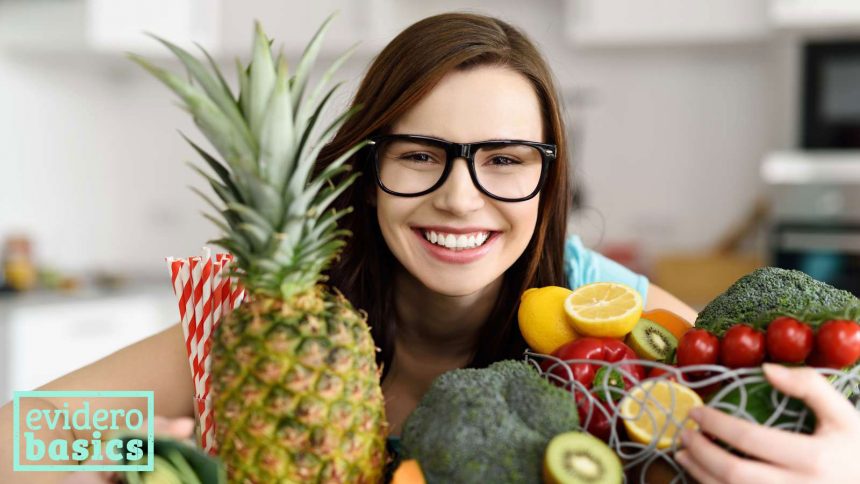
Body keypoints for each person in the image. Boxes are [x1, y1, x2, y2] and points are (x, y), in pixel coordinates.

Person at [1, 12, 857, 484]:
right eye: (420, 155)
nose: (460, 196)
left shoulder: (604, 306)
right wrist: (151, 451)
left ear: (548, 179)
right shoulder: (268, 315)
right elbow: (18, 438)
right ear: (365, 172)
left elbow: (784, 420)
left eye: (505, 160)